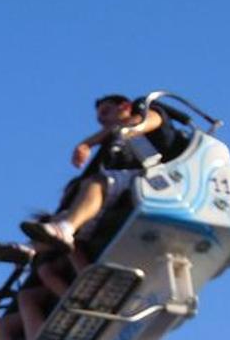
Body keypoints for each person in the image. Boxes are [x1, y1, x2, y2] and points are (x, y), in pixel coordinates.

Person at [18, 94, 187, 253]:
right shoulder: (115, 150)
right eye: (100, 119)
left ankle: (65, 229)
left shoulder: (151, 115)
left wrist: (88, 144)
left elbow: (136, 124)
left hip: (160, 177)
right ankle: (30, 249)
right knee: (70, 208)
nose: (103, 121)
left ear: (125, 106)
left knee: (97, 183)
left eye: (106, 112)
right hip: (132, 186)